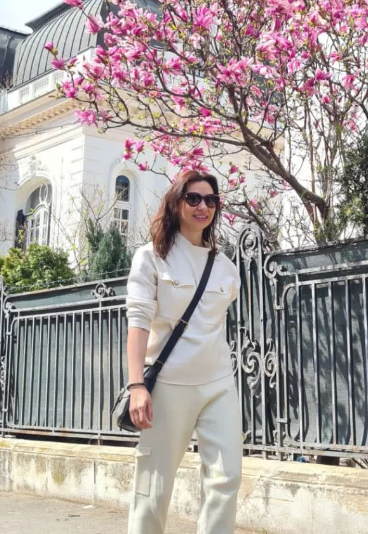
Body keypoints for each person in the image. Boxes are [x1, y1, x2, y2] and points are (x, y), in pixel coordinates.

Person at [125, 170, 242, 534]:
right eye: (193, 198)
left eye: (211, 200)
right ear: (176, 203)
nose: (202, 206)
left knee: (226, 478)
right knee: (154, 485)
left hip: (218, 382)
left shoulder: (226, 268)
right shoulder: (151, 257)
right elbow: (138, 322)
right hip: (169, 384)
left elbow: (214, 324)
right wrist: (136, 385)